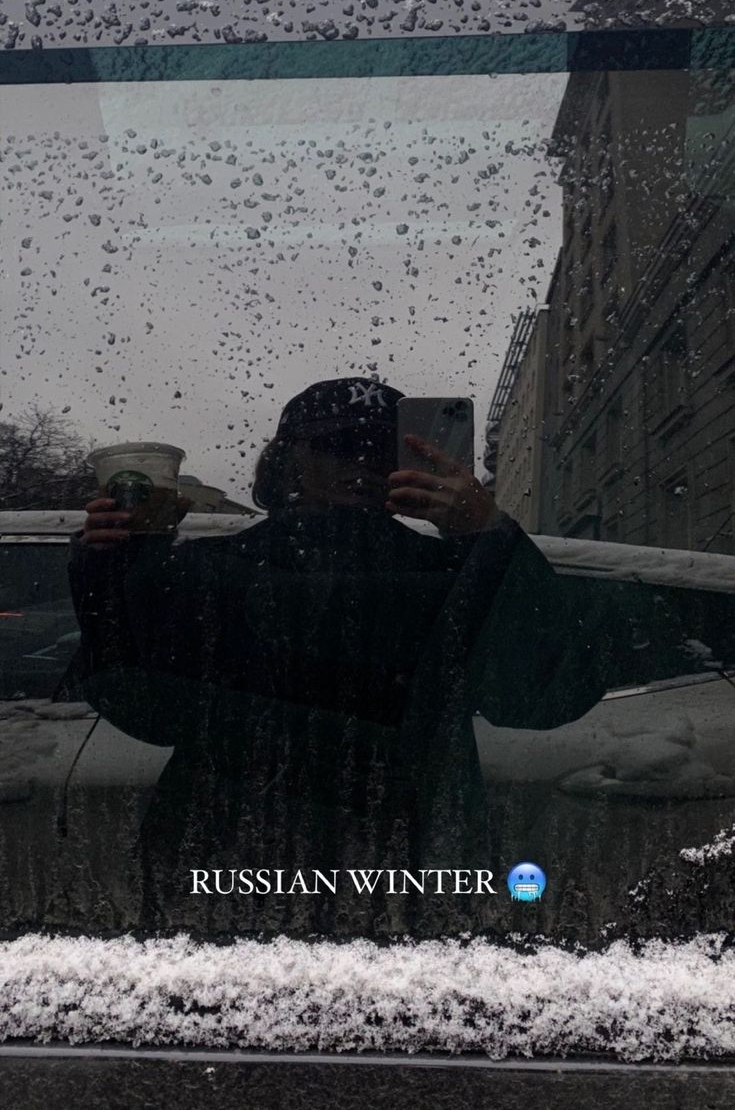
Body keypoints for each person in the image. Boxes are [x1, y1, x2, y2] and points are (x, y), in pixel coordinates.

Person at [67, 377, 614, 938]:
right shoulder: (215, 569)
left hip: (350, 867)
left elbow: (546, 695)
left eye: (381, 449)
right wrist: (112, 566)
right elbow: (143, 706)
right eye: (337, 446)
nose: (363, 463)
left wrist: (488, 536)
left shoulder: (451, 574)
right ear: (286, 461)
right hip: (271, 862)